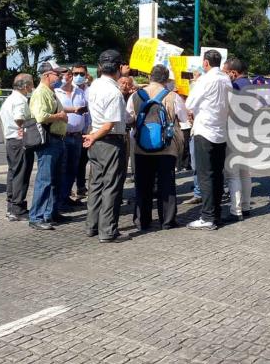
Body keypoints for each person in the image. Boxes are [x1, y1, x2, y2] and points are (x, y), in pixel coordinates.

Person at [127, 64, 183, 231]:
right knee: (166, 184)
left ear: (150, 77)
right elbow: (183, 117)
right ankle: (167, 220)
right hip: (166, 147)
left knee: (143, 184)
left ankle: (142, 221)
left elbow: (128, 118)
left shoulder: (136, 96)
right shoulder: (172, 96)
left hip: (141, 147)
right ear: (166, 80)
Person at [83, 50, 129, 242]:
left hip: (97, 140)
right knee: (111, 186)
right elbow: (109, 124)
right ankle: (108, 230)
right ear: (118, 68)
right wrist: (94, 136)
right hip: (109, 140)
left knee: (96, 184)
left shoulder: (93, 87)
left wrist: (93, 136)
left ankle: (92, 225)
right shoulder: (113, 91)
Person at [185, 49, 232, 230]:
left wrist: (194, 83)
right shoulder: (225, 79)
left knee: (205, 175)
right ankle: (216, 214)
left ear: (205, 63)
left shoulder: (205, 79)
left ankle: (207, 217)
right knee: (217, 175)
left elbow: (189, 103)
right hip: (220, 131)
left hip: (205, 130)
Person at [28, 60, 69, 231]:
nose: (60, 77)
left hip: (57, 139)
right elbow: (40, 116)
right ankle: (36, 216)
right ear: (46, 75)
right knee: (45, 180)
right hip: (49, 140)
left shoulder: (50, 91)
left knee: (55, 179)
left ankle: (50, 212)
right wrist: (60, 116)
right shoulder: (41, 93)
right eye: (56, 74)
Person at [0, 73, 35, 222]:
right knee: (21, 175)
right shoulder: (20, 100)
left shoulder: (10, 99)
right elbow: (19, 118)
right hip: (19, 141)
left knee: (13, 174)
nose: (33, 87)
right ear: (26, 86)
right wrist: (31, 123)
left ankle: (12, 206)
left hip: (11, 140)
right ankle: (18, 209)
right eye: (32, 84)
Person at [224, 57, 253, 220]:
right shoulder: (252, 85)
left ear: (233, 73)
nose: (225, 75)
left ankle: (236, 211)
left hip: (235, 133)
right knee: (245, 173)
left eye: (226, 72)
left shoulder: (233, 87)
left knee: (233, 174)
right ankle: (246, 206)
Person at [55, 67, 88, 208]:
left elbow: (87, 113)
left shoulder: (80, 92)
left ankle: (66, 195)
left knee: (73, 168)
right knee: (61, 168)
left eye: (69, 75)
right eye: (74, 74)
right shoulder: (56, 93)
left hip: (78, 135)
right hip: (63, 135)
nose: (67, 78)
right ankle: (59, 200)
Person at [72, 63, 91, 199]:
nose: (78, 76)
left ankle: (81, 186)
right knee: (71, 162)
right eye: (75, 74)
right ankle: (67, 189)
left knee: (83, 160)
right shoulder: (67, 89)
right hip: (72, 131)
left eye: (81, 74)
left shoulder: (90, 90)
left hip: (87, 131)